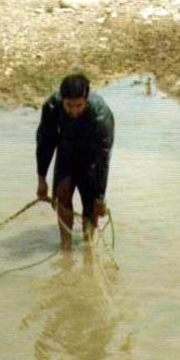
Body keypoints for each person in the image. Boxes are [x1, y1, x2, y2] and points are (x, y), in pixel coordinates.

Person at [36, 74, 114, 250]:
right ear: (62, 99)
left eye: (79, 105)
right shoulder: (52, 107)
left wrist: (100, 197)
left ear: (86, 99)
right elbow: (45, 142)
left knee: (91, 203)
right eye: (69, 105)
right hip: (66, 151)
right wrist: (41, 179)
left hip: (92, 156)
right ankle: (66, 246)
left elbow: (103, 157)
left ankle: (88, 247)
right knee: (61, 196)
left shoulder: (100, 114)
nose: (74, 111)